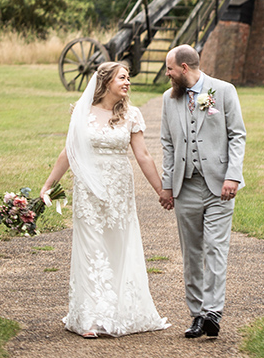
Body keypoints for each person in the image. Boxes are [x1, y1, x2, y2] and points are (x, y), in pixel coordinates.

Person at [40, 61, 170, 338]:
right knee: (90, 246)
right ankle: (88, 317)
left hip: (119, 190)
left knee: (118, 245)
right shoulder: (82, 112)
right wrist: (49, 184)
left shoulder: (131, 115)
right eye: (122, 78)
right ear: (106, 81)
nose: (127, 83)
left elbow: (143, 156)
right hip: (88, 189)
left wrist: (161, 190)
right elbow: (68, 152)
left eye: (128, 79)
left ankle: (119, 311)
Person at [159, 44, 246, 339]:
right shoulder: (168, 99)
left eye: (170, 68)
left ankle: (212, 313)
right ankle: (196, 314)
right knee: (192, 253)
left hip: (220, 186)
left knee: (215, 249)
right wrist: (168, 186)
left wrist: (233, 176)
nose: (167, 73)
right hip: (186, 187)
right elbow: (168, 144)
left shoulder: (223, 91)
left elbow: (237, 135)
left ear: (184, 68)